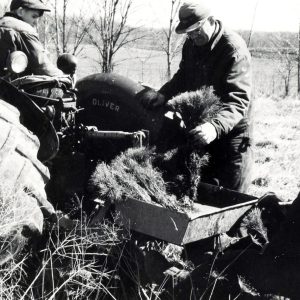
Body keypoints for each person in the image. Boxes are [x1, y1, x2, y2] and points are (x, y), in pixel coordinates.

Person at [145, 0, 253, 193]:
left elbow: (238, 99)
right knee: (202, 189)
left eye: (197, 30)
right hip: (204, 126)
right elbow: (183, 76)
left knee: (231, 194)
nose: (193, 36)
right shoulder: (192, 44)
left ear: (211, 20)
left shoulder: (233, 50)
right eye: (189, 33)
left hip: (231, 129)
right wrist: (164, 94)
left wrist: (215, 126)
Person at [0, 0, 62, 77]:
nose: (36, 22)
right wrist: (64, 77)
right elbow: (42, 66)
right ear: (20, 12)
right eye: (34, 16)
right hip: (10, 87)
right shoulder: (24, 30)